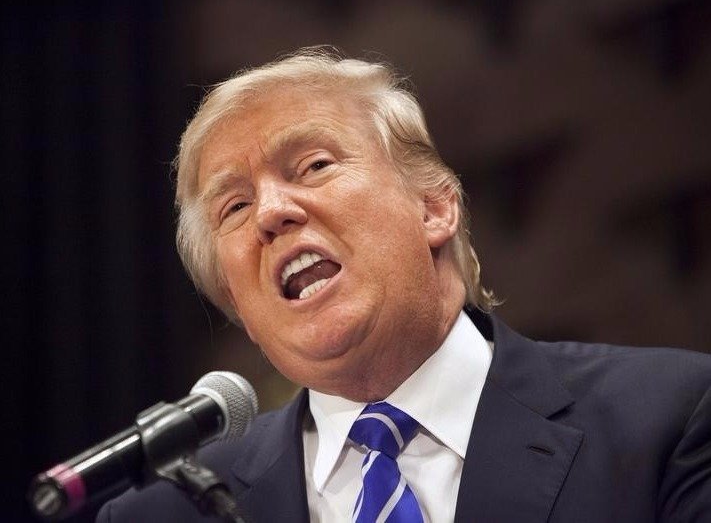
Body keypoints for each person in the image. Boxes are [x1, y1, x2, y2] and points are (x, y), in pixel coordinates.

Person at [97, 48, 711, 522]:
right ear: (240, 307)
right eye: (233, 207)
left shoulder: (667, 419)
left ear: (434, 208)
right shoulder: (166, 512)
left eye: (314, 165)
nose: (270, 212)